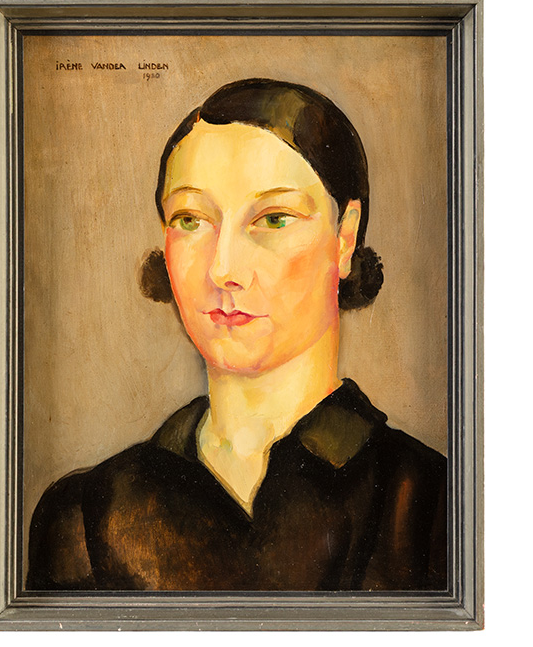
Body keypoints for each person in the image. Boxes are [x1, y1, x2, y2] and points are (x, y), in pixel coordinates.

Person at [27, 79, 446, 591]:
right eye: (191, 219)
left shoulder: (431, 502)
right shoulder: (87, 516)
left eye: (273, 218)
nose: (223, 268)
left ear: (344, 237)